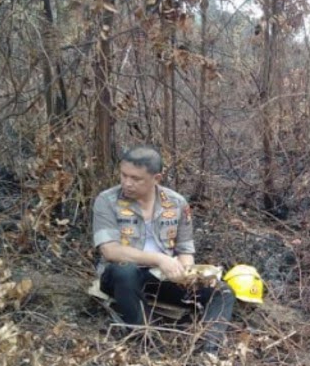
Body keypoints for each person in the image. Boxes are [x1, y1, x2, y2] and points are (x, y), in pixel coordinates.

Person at [92, 145, 234, 344]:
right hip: (120, 277)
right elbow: (109, 250)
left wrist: (186, 273)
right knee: (125, 271)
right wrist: (160, 259)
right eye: (124, 175)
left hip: (163, 277)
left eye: (135, 179)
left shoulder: (177, 203)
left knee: (222, 291)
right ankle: (144, 337)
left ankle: (209, 348)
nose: (127, 183)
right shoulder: (106, 200)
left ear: (156, 178)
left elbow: (185, 249)